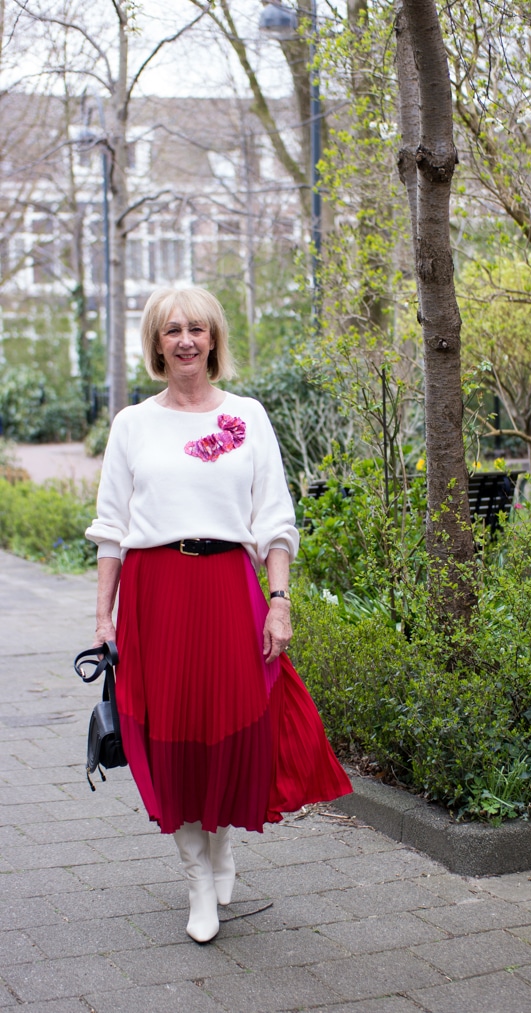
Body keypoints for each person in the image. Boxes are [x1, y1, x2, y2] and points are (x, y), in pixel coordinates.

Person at [85, 286, 352, 943]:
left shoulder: (248, 416)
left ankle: (222, 839)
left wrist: (280, 601)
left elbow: (274, 519)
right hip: (156, 591)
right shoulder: (132, 425)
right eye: (172, 329)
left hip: (231, 586)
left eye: (196, 328)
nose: (185, 339)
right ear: (155, 342)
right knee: (171, 735)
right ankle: (197, 877)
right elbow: (112, 529)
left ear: (212, 339)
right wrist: (104, 616)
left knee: (231, 726)